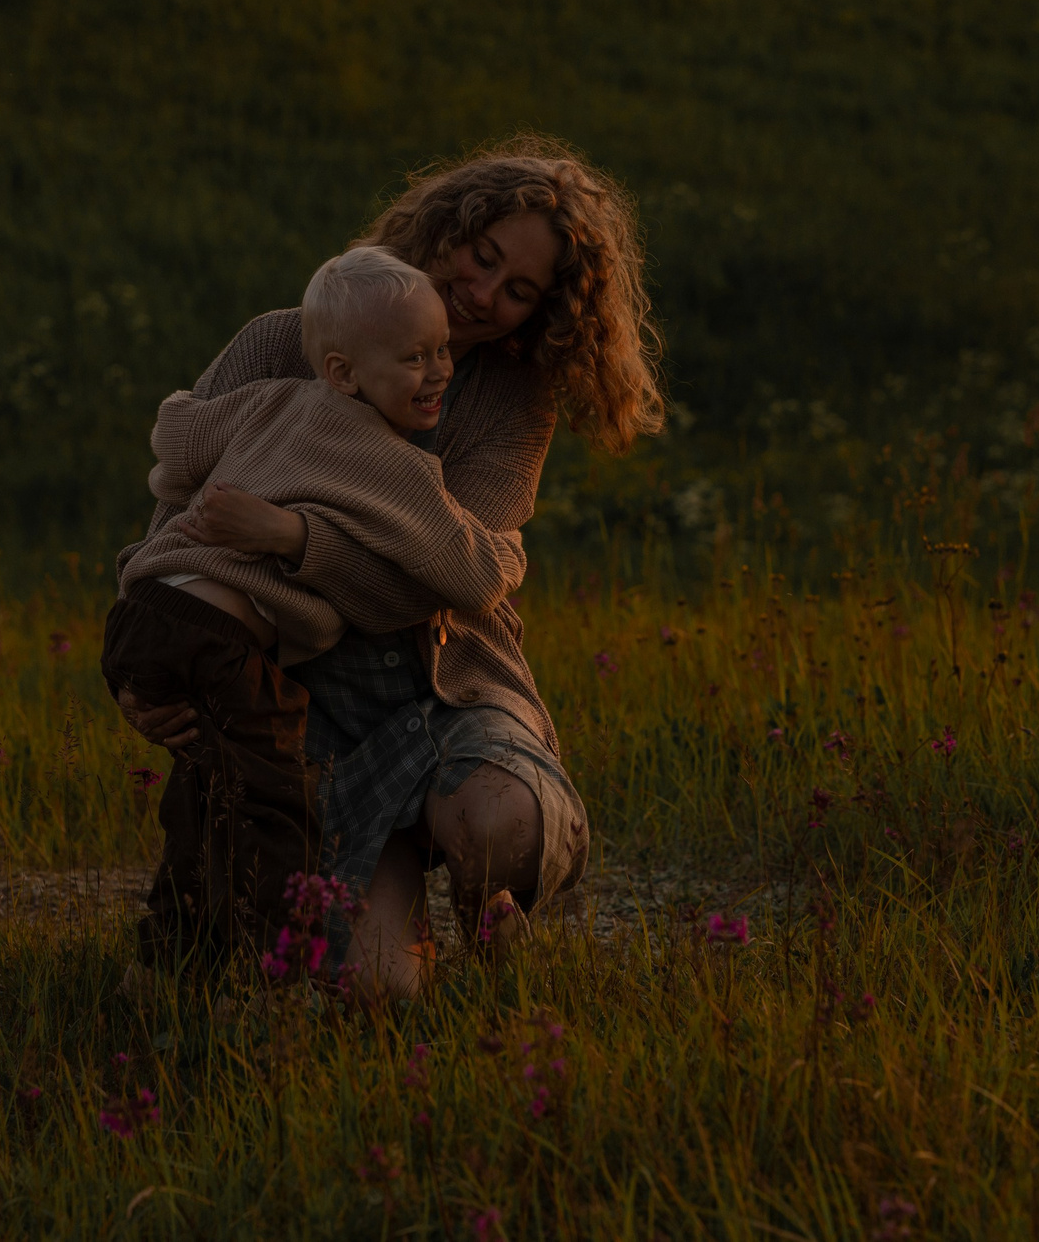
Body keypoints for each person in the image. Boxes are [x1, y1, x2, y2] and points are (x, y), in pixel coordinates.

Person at [114, 139, 667, 999]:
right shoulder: (277, 347)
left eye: (519, 290)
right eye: (482, 257)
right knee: (376, 996)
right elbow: (181, 524)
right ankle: (391, 879)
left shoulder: (516, 401)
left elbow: (454, 578)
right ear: (446, 226)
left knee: (499, 822)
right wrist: (156, 662)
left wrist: (297, 540)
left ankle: (488, 916)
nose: (483, 294)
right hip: (309, 712)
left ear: (542, 313)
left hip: (451, 683)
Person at [104, 249, 527, 972]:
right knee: (274, 796)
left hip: (143, 612)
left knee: (210, 785)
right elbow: (475, 575)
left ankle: (177, 952)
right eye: (414, 358)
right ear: (343, 372)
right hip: (219, 640)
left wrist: (222, 479)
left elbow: (175, 443)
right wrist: (511, 550)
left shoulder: (269, 399)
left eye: (440, 352)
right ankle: (271, 961)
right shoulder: (393, 465)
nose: (439, 373)